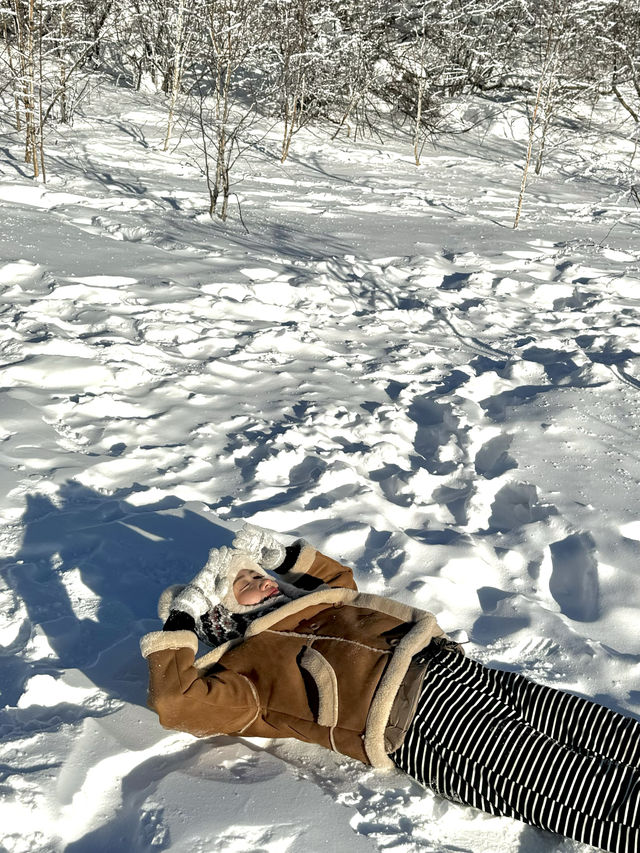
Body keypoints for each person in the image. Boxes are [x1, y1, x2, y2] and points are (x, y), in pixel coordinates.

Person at [140, 524, 640, 853]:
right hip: (418, 724)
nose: (261, 580)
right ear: (223, 613)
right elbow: (175, 701)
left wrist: (281, 552)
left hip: (455, 671)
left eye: (256, 572)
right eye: (243, 583)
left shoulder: (319, 604)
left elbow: (338, 578)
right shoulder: (244, 672)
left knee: (597, 728)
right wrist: (184, 617)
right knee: (577, 785)